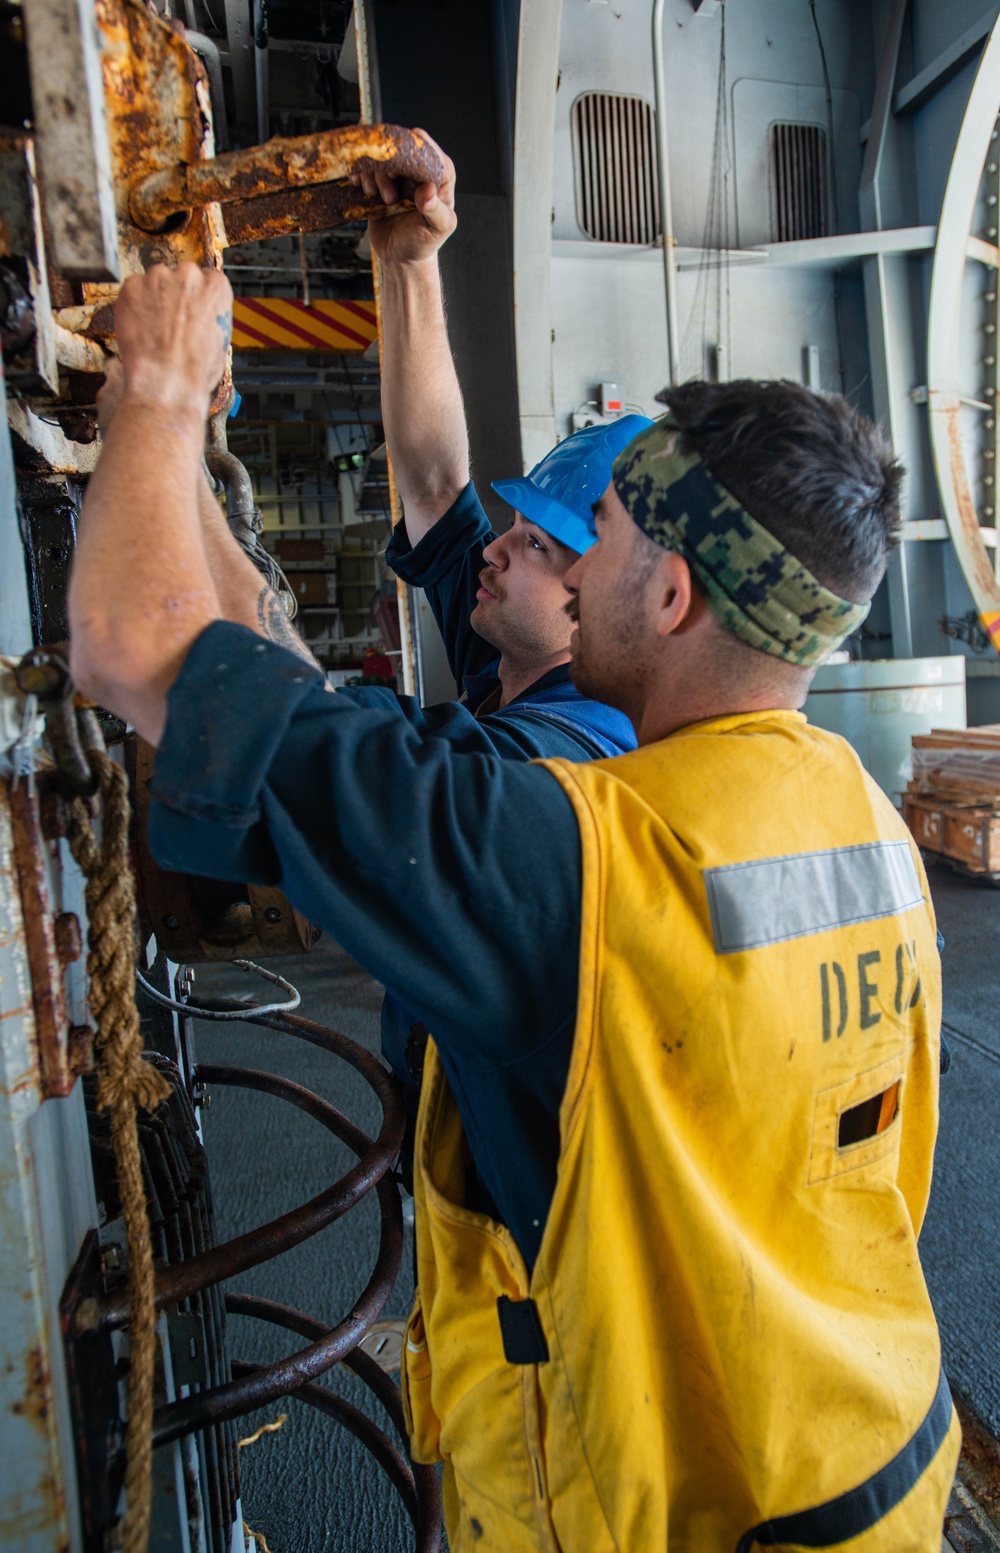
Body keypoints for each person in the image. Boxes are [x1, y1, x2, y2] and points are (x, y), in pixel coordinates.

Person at [68, 262, 960, 1553]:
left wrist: (152, 384)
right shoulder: (855, 813)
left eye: (592, 539)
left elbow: (127, 647)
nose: (559, 564)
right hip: (854, 1449)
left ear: (669, 596)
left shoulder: (574, 854)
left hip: (663, 1502)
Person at [347, 133, 644, 1110]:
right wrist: (413, 261)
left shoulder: (559, 754)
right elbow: (434, 479)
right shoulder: (516, 664)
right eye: (512, 529)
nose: (496, 550)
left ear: (615, 597)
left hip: (513, 1168)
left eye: (539, 547)